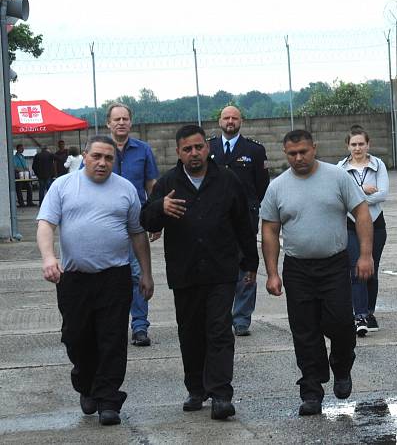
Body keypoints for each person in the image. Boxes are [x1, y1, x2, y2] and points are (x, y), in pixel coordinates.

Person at [140, 124, 257, 420]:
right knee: (190, 333)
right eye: (187, 149)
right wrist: (160, 208)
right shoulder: (167, 183)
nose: (194, 153)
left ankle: (220, 394)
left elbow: (244, 224)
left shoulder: (228, 180)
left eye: (198, 147)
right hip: (186, 272)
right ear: (179, 152)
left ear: (207, 147)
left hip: (221, 271)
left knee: (219, 331)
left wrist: (251, 265)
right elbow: (147, 222)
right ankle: (196, 389)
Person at [35, 135, 154, 426]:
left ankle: (109, 399)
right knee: (76, 338)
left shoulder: (125, 190)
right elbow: (46, 224)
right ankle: (86, 383)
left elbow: (137, 234)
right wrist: (49, 258)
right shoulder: (63, 186)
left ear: (115, 160)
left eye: (109, 158)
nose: (102, 163)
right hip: (74, 279)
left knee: (112, 339)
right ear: (84, 156)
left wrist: (147, 273)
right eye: (97, 156)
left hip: (114, 277)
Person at [260, 129, 374, 416]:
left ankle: (342, 364)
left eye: (303, 152)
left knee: (341, 324)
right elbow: (270, 230)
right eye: (292, 154)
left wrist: (365, 254)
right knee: (305, 330)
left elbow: (361, 212)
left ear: (314, 148)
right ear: (285, 154)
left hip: (334, 264)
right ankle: (311, 389)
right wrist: (272, 273)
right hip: (298, 268)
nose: (298, 158)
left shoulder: (336, 178)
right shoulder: (277, 187)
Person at [208, 105, 269, 337]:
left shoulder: (254, 149)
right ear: (219, 120)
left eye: (234, 118)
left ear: (241, 121)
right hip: (214, 218)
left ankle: (242, 318)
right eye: (226, 117)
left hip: (245, 218)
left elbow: (262, 185)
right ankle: (221, 315)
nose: (230, 121)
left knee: (246, 266)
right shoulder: (209, 147)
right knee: (217, 266)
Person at [106, 102, 160, 346]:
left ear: (131, 122)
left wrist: (156, 219)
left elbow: (151, 186)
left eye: (125, 118)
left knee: (138, 273)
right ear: (108, 123)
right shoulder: (101, 149)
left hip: (135, 223)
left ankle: (139, 326)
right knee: (111, 275)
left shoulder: (143, 150)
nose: (121, 122)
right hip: (106, 223)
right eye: (116, 119)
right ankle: (111, 325)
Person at [337, 125, 389, 336]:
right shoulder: (340, 169)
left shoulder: (378, 165)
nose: (357, 148)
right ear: (347, 146)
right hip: (350, 223)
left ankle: (369, 311)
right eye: (353, 144)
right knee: (357, 268)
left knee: (371, 269)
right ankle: (359, 315)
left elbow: (382, 194)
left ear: (368, 145)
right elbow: (339, 195)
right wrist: (363, 190)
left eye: (361, 144)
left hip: (376, 223)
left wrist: (355, 195)